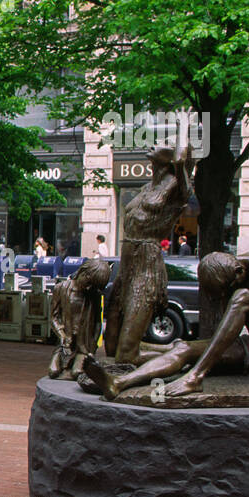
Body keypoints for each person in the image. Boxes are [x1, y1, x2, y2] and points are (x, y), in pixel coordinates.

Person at [84, 253, 249, 400]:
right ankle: (118, 383)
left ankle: (194, 377)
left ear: (238, 273)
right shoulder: (233, 274)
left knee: (243, 298)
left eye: (225, 291)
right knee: (184, 348)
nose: (224, 297)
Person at [103, 137, 194, 365]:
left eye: (165, 143)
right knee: (111, 346)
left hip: (146, 265)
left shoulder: (175, 185)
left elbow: (186, 190)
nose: (156, 143)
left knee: (124, 354)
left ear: (174, 156)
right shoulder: (147, 186)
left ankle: (184, 355)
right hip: (126, 265)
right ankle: (173, 352)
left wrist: (182, 163)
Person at [48, 258, 112, 379]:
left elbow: (98, 322)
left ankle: (77, 364)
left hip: (84, 346)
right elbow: (54, 317)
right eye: (88, 283)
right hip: (66, 344)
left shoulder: (94, 296)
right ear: (83, 272)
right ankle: (63, 362)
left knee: (77, 373)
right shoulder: (61, 288)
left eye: (93, 286)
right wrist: (62, 335)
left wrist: (93, 346)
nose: (88, 288)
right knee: (53, 371)